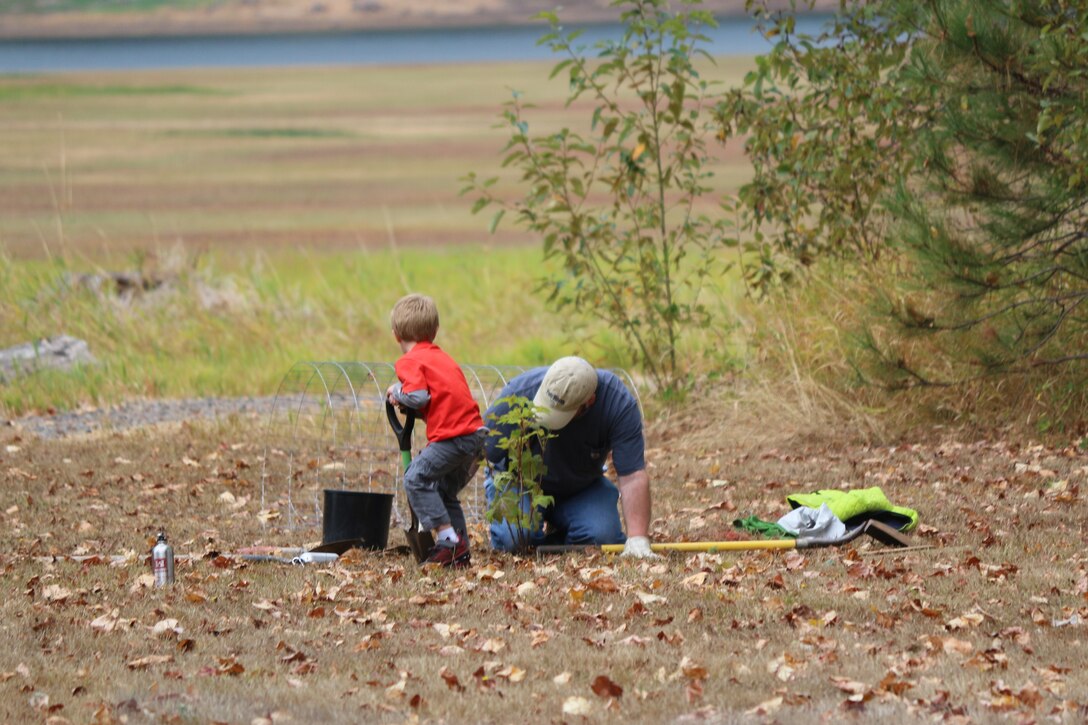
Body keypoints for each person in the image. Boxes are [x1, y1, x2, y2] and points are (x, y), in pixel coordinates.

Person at [483, 356, 658, 558]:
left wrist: (637, 539)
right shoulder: (519, 393)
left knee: (602, 536)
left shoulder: (617, 402)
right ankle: (537, 538)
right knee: (513, 541)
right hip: (521, 483)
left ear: (589, 401)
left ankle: (557, 537)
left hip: (580, 488)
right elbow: (479, 452)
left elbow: (633, 475)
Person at [385, 293, 486, 568]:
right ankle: (459, 551)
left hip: (453, 438)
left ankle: (448, 540)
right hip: (476, 437)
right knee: (443, 492)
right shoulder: (444, 359)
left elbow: (418, 396)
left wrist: (397, 391)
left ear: (396, 335)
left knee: (415, 478)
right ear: (435, 330)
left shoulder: (409, 361)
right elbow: (437, 400)